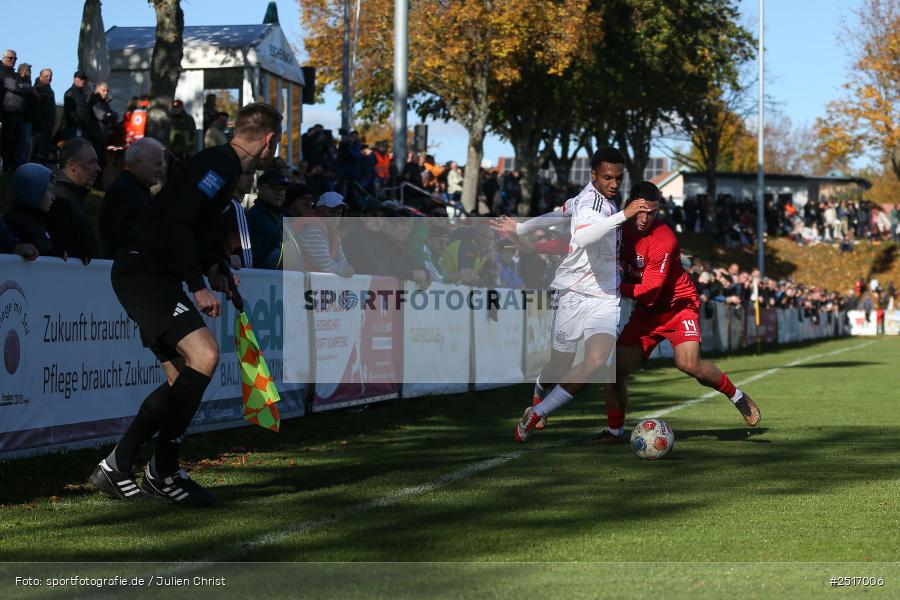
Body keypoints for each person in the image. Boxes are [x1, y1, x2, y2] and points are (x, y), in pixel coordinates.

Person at [88, 102, 283, 507]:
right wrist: (197, 285)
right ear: (269, 140)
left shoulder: (223, 167)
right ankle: (163, 470)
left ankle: (118, 465)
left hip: (154, 274)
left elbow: (199, 224)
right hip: (145, 274)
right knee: (206, 355)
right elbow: (177, 221)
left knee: (181, 380)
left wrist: (215, 265)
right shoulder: (218, 166)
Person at [490, 147, 655, 442]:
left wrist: (522, 226)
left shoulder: (588, 199)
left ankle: (536, 415)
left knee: (596, 360)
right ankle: (539, 394)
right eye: (607, 177)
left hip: (605, 297)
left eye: (618, 178)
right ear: (593, 174)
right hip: (573, 293)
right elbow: (581, 236)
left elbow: (559, 213)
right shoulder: (592, 203)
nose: (614, 184)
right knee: (558, 365)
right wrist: (623, 215)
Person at [593, 182, 761, 444]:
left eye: (652, 212)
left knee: (688, 364)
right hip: (647, 313)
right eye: (640, 211)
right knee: (613, 371)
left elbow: (650, 290)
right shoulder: (617, 229)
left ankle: (737, 396)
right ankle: (615, 431)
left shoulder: (664, 238)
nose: (645, 218)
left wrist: (609, 286)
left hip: (677, 306)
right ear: (629, 205)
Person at [99, 137, 165, 258]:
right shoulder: (124, 192)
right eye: (157, 164)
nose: (161, 170)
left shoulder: (135, 189)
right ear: (137, 163)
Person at [45, 137, 100, 263]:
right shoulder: (59, 200)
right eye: (92, 162)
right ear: (71, 165)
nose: (98, 168)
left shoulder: (72, 196)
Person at [3, 162, 56, 258]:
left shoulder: (37, 220)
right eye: (49, 190)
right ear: (34, 192)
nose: (53, 197)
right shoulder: (18, 223)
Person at [295, 191, 354, 276]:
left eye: (339, 213)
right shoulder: (312, 226)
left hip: (313, 284)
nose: (336, 217)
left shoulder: (333, 232)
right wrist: (345, 270)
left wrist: (345, 268)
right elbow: (324, 265)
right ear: (319, 209)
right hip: (297, 282)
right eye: (332, 212)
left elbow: (343, 262)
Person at [246, 167, 290, 269]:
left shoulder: (282, 216)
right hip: (264, 279)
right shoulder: (254, 216)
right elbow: (254, 258)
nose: (279, 193)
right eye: (274, 188)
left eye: (283, 189)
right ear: (260, 189)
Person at [1, 49, 30, 172]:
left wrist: (20, 85)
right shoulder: (2, 72)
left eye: (15, 59)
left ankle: (9, 168)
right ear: (4, 58)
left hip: (17, 114)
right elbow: (13, 86)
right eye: (10, 58)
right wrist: (20, 86)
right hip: (5, 112)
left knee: (14, 143)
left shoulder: (15, 75)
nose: (13, 61)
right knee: (5, 141)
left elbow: (26, 88)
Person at [87, 82, 117, 183]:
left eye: (107, 91)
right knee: (96, 160)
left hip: (102, 136)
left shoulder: (104, 102)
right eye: (103, 90)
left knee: (101, 160)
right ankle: (94, 183)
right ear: (98, 89)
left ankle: (97, 183)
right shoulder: (95, 101)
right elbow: (102, 115)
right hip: (96, 135)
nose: (105, 93)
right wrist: (109, 115)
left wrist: (110, 115)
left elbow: (113, 115)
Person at [31, 68, 55, 163]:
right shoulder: (37, 89)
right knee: (37, 152)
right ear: (40, 77)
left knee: (44, 153)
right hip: (39, 127)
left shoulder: (50, 91)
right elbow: (35, 108)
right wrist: (40, 123)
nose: (49, 78)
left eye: (50, 76)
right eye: (46, 76)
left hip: (48, 127)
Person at [61, 70, 91, 141]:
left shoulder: (83, 94)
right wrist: (78, 122)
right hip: (74, 128)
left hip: (83, 127)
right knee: (76, 148)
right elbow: (70, 112)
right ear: (75, 79)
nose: (83, 81)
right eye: (81, 78)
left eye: (84, 79)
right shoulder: (70, 93)